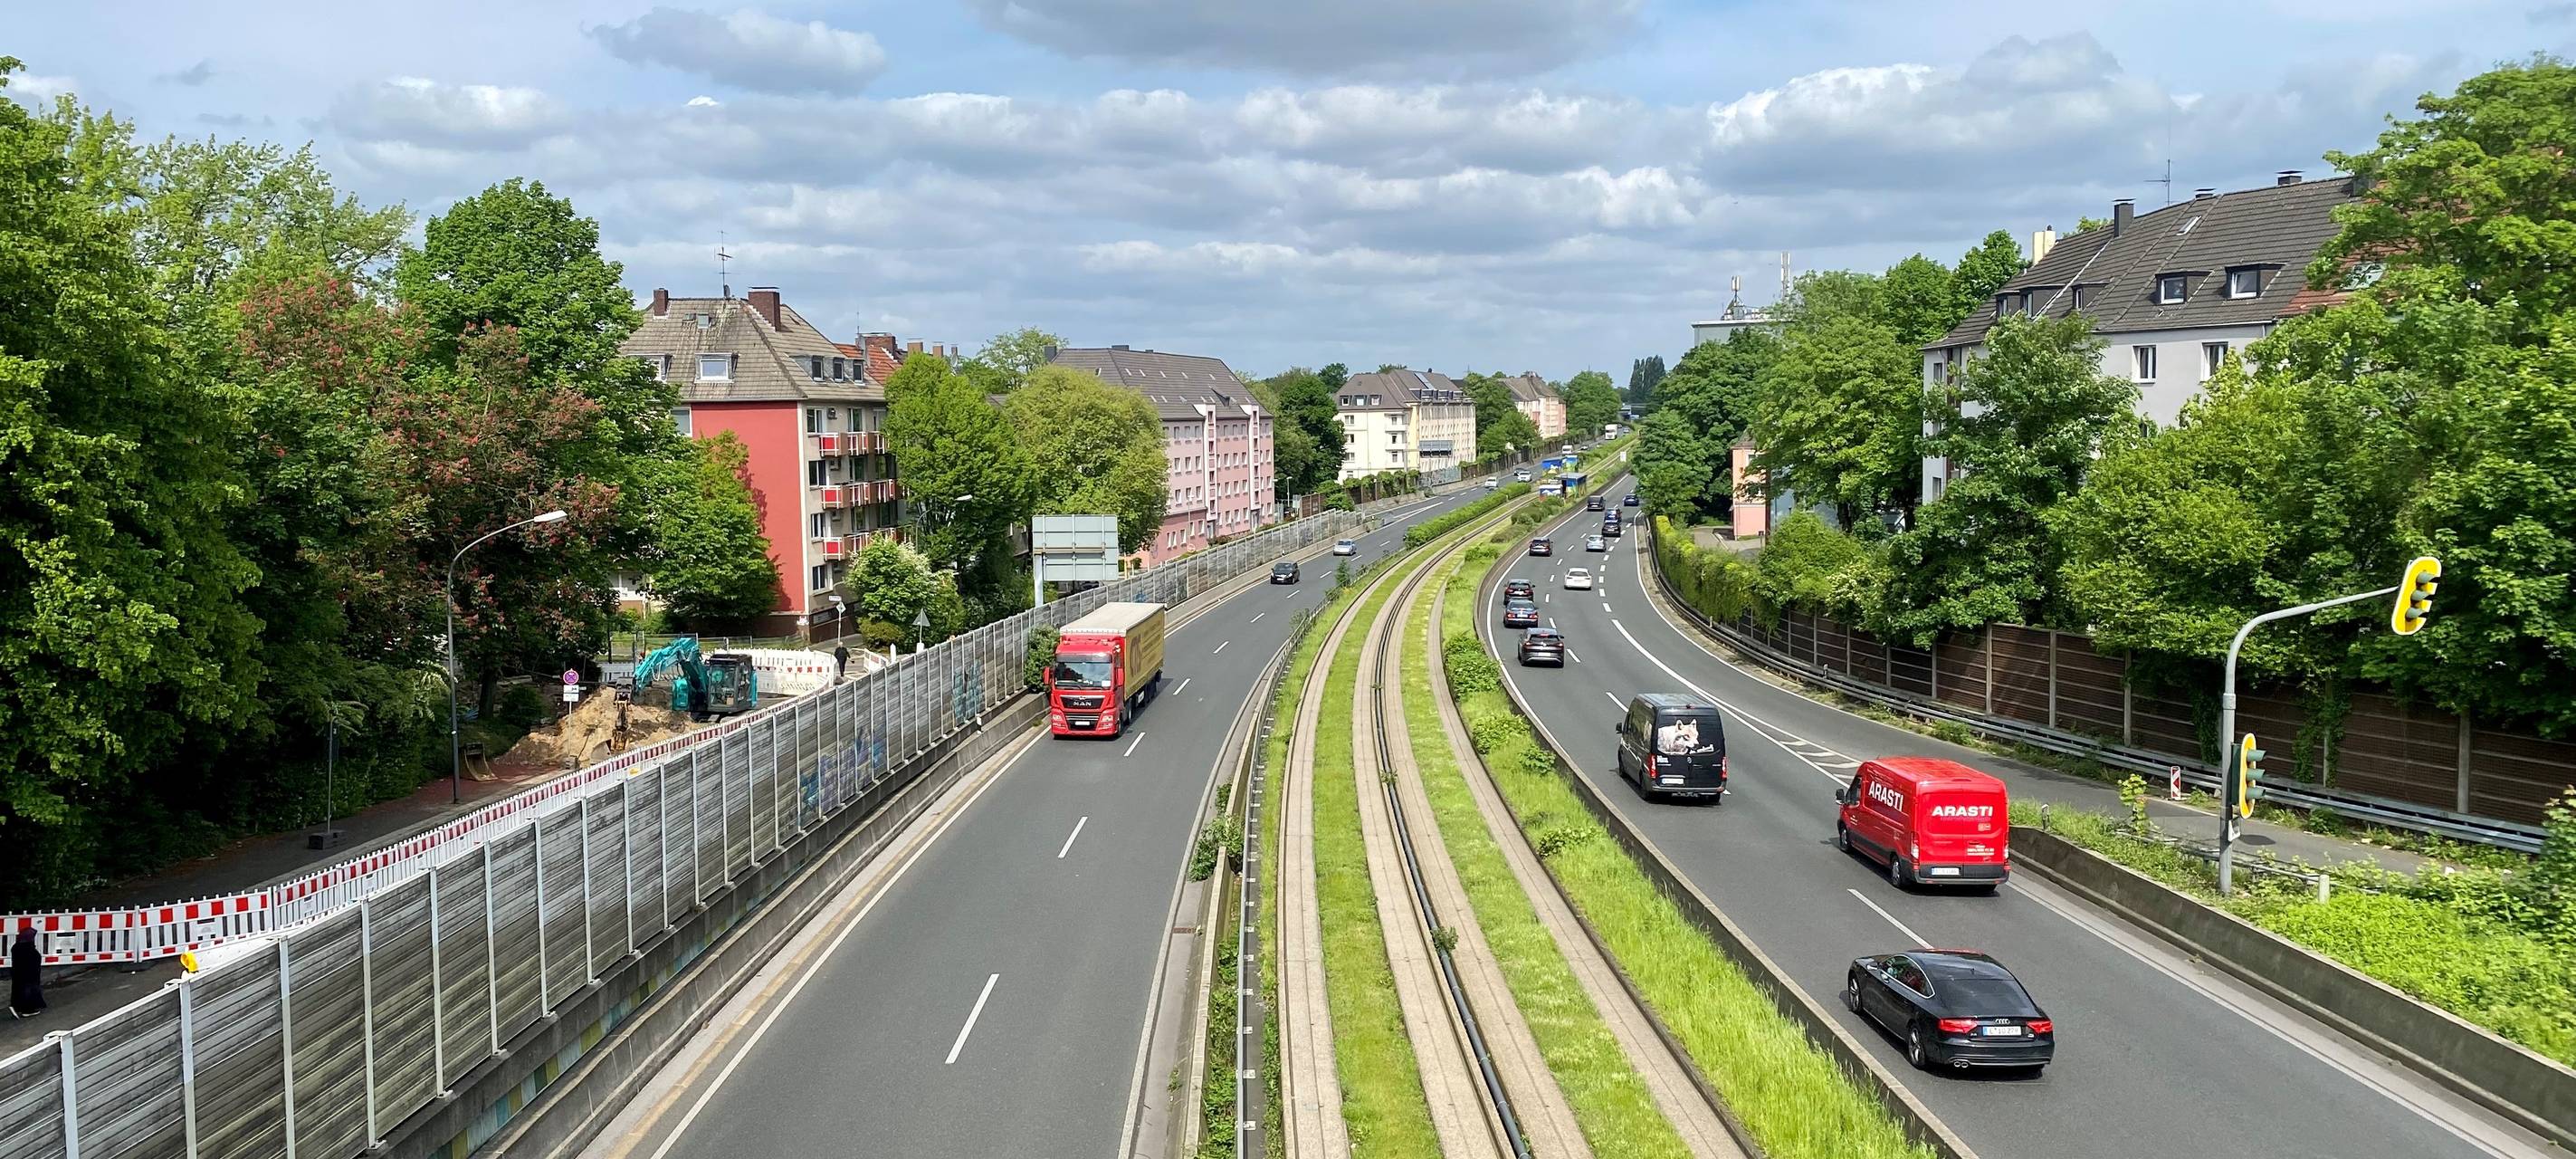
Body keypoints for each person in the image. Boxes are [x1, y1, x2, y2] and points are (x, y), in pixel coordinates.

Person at [10, 925, 43, 1019]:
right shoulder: (28, 948)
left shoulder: (16, 947)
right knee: (28, 990)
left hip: (18, 973)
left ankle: (18, 1006)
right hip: (28, 973)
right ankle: (27, 1010)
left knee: (19, 989)